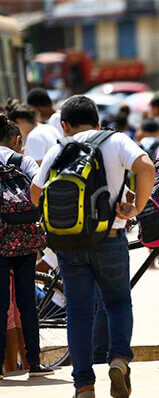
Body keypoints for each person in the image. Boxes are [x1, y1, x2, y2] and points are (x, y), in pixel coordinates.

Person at [30, 96, 155, 398]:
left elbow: (36, 195)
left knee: (78, 312)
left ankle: (83, 384)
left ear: (64, 125)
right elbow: (146, 166)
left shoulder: (58, 149)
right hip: (110, 238)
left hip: (69, 243)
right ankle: (119, 359)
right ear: (98, 121)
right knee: (117, 303)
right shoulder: (115, 141)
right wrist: (135, 207)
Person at [0, 114, 54, 380]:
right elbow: (40, 186)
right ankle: (34, 362)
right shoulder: (24, 161)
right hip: (24, 239)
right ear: (18, 140)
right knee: (27, 304)